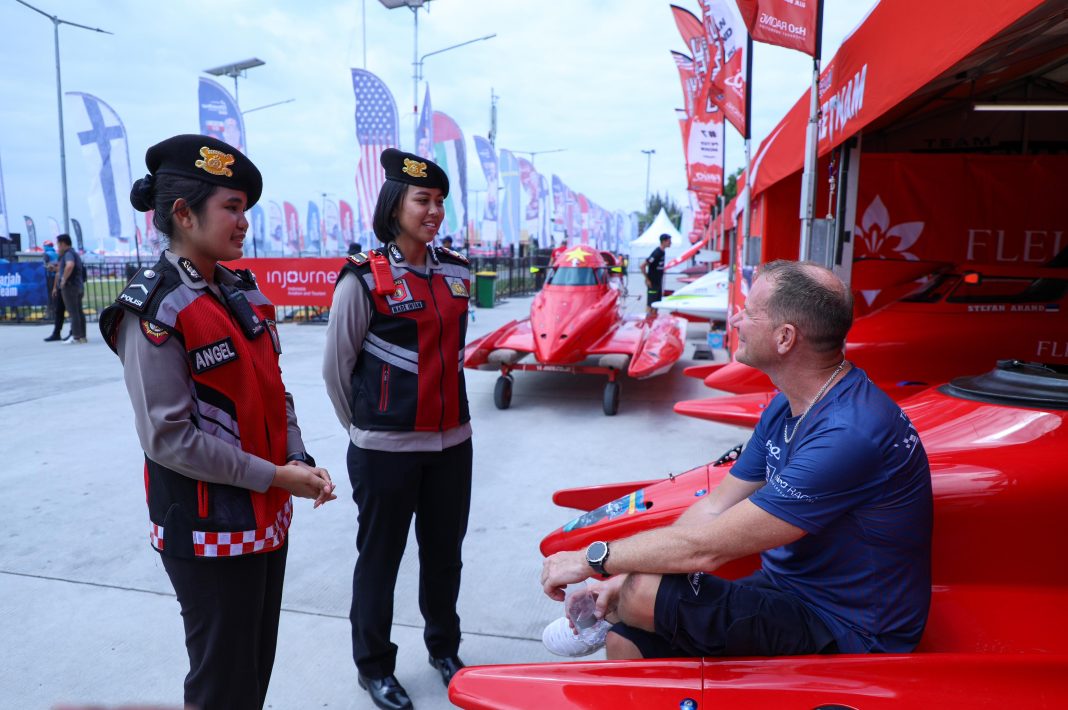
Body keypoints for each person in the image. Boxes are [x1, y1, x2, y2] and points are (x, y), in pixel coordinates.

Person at [540, 260, 933, 661]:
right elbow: (713, 507)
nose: (736, 318)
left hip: (849, 627)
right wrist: (617, 576)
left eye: (748, 311)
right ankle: (616, 609)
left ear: (784, 338)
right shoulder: (788, 406)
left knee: (643, 592)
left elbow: (706, 551)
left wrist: (594, 560)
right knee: (625, 638)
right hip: (788, 590)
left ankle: (616, 602)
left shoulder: (849, 433)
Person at [99, 134, 336, 710]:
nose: (244, 222)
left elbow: (275, 392)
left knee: (252, 672)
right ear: (183, 213)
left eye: (244, 209)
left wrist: (298, 460)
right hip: (206, 530)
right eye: (231, 208)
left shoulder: (239, 292)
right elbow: (169, 439)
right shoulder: (154, 309)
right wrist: (276, 476)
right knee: (219, 686)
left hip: (264, 519)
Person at [323, 148, 473, 710]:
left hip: (454, 445)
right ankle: (374, 668)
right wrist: (365, 430)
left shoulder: (457, 271)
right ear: (394, 205)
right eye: (422, 200)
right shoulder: (362, 279)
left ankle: (443, 648)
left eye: (439, 201)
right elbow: (336, 369)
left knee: (444, 556)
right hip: (384, 451)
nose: (433, 211)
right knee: (379, 561)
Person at [54, 234, 86, 343]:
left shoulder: (68, 254)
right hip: (78, 286)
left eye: (58, 245)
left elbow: (70, 265)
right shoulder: (74, 253)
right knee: (78, 312)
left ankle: (76, 336)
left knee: (73, 313)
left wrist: (63, 280)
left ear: (63, 244)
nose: (58, 247)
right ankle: (82, 336)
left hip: (70, 287)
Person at [42, 240, 67, 342]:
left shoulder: (46, 254)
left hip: (53, 277)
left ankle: (49, 312)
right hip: (58, 277)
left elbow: (46, 265)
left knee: (53, 299)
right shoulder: (56, 253)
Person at [640, 233, 670, 315]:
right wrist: (647, 279)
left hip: (658, 283)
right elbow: (642, 266)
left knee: (656, 305)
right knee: (650, 305)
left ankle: (653, 323)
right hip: (652, 283)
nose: (670, 243)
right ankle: (646, 323)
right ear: (663, 241)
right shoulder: (657, 253)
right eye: (669, 241)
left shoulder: (663, 252)